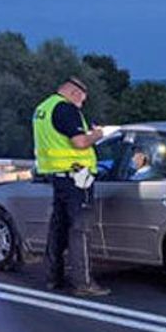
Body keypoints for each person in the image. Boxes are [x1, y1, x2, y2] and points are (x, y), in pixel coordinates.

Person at [32, 77, 110, 297]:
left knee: (58, 226)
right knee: (80, 229)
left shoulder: (43, 109)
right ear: (74, 93)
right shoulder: (65, 109)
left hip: (57, 176)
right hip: (78, 177)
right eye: (81, 101)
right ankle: (83, 282)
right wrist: (98, 134)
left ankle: (52, 277)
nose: (81, 105)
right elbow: (80, 142)